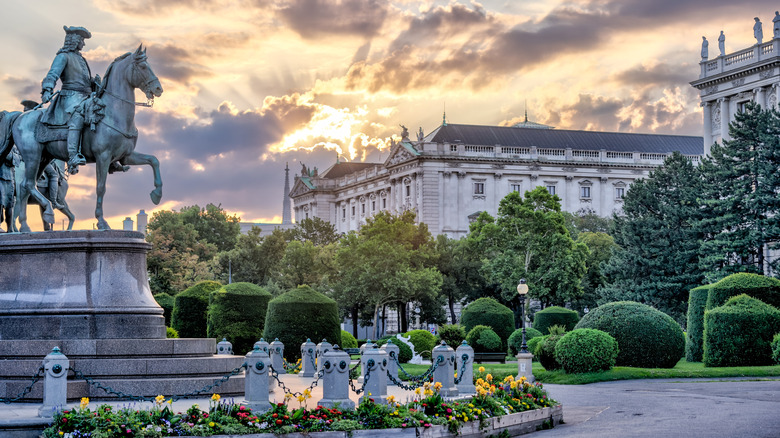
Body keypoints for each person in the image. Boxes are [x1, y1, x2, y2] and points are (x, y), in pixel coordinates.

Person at [41, 26, 96, 175]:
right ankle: (73, 156)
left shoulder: (81, 59)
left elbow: (84, 80)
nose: (84, 44)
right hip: (70, 97)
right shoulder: (63, 56)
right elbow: (52, 74)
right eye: (82, 40)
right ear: (75, 40)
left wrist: (94, 83)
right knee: (78, 113)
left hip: (86, 96)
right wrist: (47, 90)